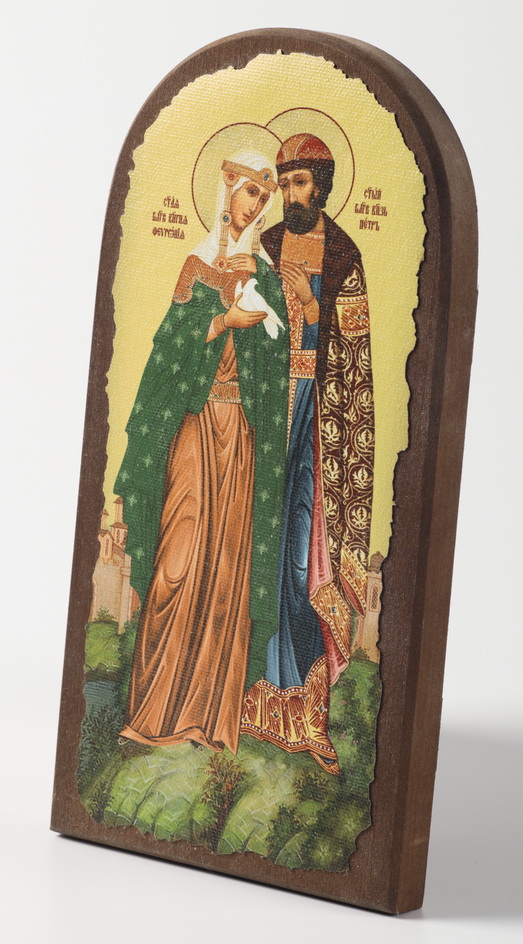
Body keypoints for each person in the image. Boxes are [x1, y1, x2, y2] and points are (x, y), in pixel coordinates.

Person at [116, 153, 289, 755]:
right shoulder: (195, 264)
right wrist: (223, 321)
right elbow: (167, 349)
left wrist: (261, 304)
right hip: (194, 424)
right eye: (249, 193)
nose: (255, 206)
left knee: (227, 573)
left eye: (263, 199)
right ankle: (153, 713)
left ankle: (207, 721)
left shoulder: (267, 274)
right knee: (178, 562)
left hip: (240, 434)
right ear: (227, 191)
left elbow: (278, 361)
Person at [241, 134, 375, 775]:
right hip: (266, 416)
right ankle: (249, 704)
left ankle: (307, 713)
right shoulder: (265, 245)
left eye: (301, 182)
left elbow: (355, 356)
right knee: (254, 556)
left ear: (320, 185)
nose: (291, 195)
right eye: (284, 182)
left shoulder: (344, 255)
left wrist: (314, 305)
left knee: (300, 565)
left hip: (316, 429)